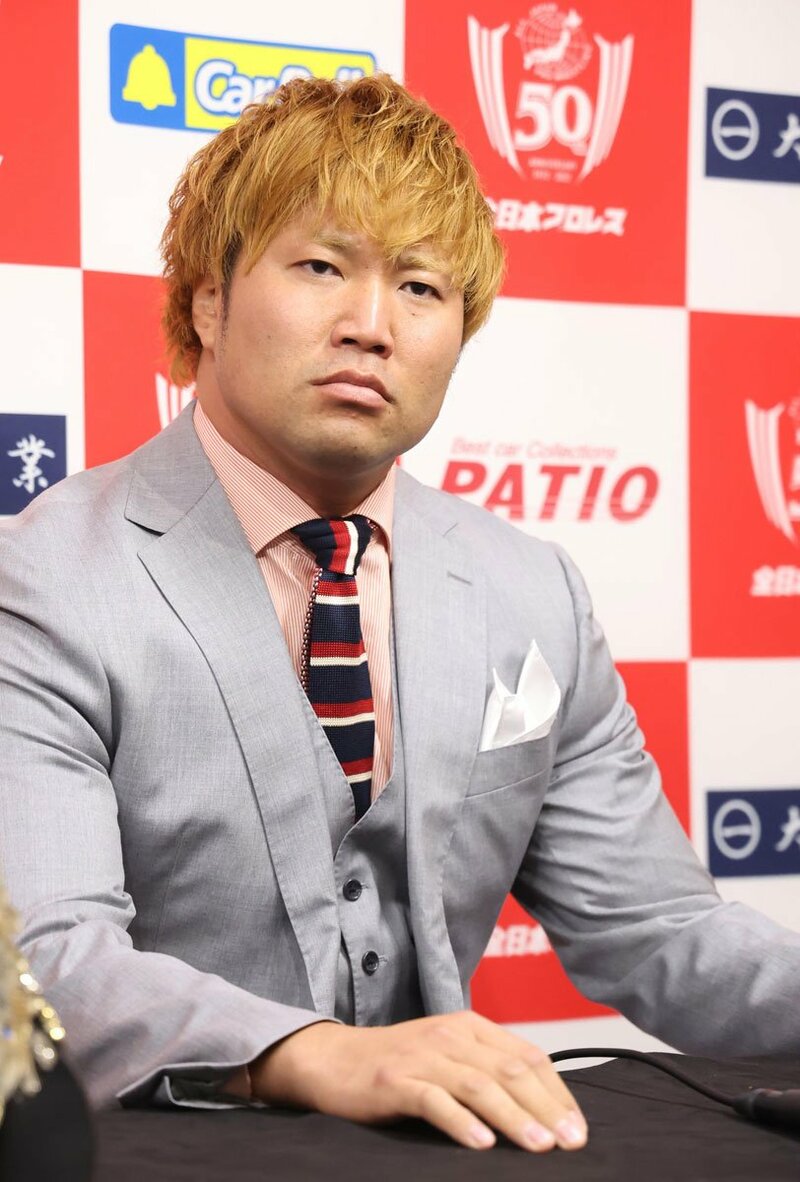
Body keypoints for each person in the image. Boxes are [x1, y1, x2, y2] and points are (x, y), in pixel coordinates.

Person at [1, 74, 798, 1156]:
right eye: (321, 267)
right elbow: (45, 963)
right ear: (207, 301)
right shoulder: (43, 578)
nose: (371, 327)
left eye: (420, 287)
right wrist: (311, 1054)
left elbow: (658, 930)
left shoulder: (531, 589)